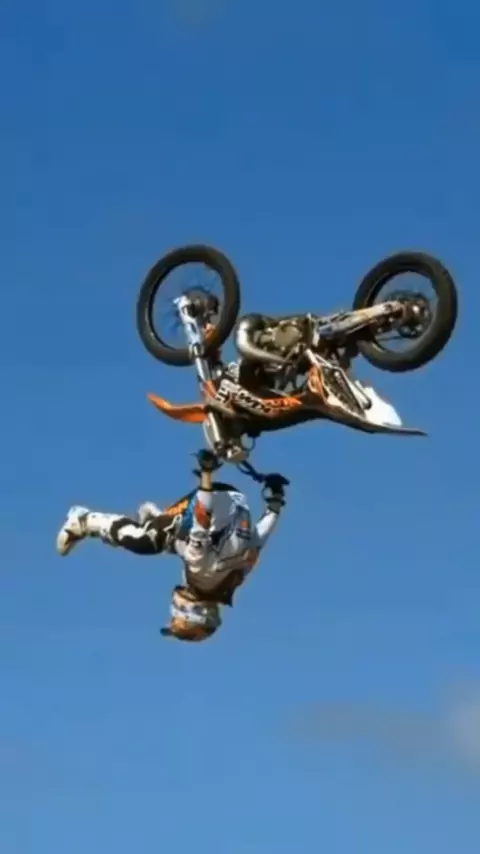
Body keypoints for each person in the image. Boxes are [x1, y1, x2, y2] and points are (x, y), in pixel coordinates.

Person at [56, 450, 289, 642]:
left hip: (235, 500)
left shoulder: (234, 579)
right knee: (143, 542)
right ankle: (83, 521)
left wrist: (275, 500)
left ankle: (157, 525)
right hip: (209, 500)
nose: (171, 610)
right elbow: (201, 521)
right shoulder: (201, 573)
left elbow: (259, 538)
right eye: (174, 618)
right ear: (190, 612)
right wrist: (206, 475)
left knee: (173, 545)